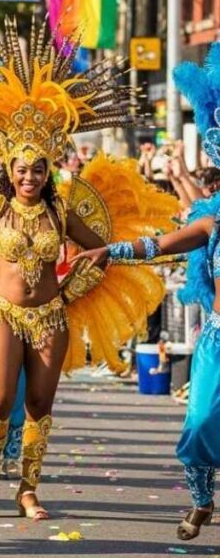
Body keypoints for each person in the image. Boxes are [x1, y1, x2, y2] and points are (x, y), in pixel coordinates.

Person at [0, 18, 178, 520]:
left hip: (50, 316)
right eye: (21, 169)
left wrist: (72, 285)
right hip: (3, 312)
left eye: (37, 168)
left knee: (39, 405)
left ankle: (28, 489)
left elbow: (102, 250)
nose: (28, 176)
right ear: (9, 169)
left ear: (48, 170)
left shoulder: (61, 212)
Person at [77, 43, 220, 541]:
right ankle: (202, 499)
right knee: (201, 423)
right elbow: (158, 244)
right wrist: (109, 252)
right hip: (218, 344)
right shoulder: (212, 221)